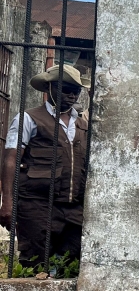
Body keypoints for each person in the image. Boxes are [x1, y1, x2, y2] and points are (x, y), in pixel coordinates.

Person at [1, 65, 89, 266]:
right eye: (66, 90)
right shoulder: (28, 118)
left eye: (76, 91)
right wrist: (7, 202)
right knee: (35, 262)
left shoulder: (82, 124)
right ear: (50, 88)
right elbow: (11, 159)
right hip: (37, 205)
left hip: (74, 207)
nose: (72, 96)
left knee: (72, 261)